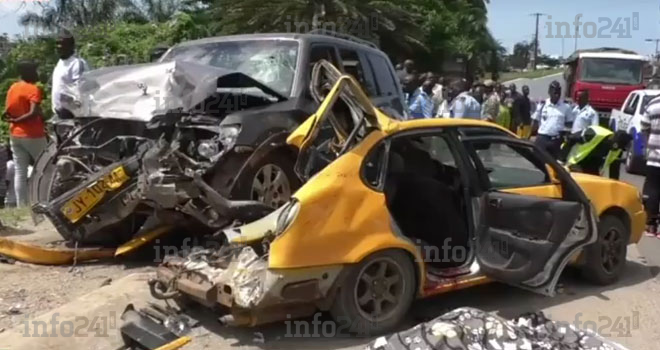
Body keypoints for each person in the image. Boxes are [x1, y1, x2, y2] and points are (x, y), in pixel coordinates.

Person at [2, 61, 48, 207]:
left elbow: (7, 111)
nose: (37, 74)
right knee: (46, 167)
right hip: (33, 134)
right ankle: (45, 200)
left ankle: (22, 205)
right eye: (35, 71)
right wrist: (19, 120)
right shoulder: (33, 89)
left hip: (15, 135)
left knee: (19, 170)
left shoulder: (12, 88)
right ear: (28, 72)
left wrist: (14, 121)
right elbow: (33, 113)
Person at [52, 30, 89, 117]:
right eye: (57, 43)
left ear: (71, 46)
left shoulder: (77, 63)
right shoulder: (60, 63)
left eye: (62, 44)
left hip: (73, 115)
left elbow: (79, 89)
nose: (59, 46)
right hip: (60, 113)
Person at [532, 81, 574, 159]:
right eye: (555, 92)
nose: (557, 95)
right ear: (549, 92)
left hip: (556, 141)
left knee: (554, 165)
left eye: (558, 92)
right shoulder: (542, 104)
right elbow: (535, 121)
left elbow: (569, 124)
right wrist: (530, 136)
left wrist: (565, 135)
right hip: (542, 139)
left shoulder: (566, 107)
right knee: (538, 162)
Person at [641, 95, 660, 237]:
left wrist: (647, 146)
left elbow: (644, 127)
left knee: (652, 188)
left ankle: (650, 225)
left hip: (654, 155)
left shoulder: (653, 103)